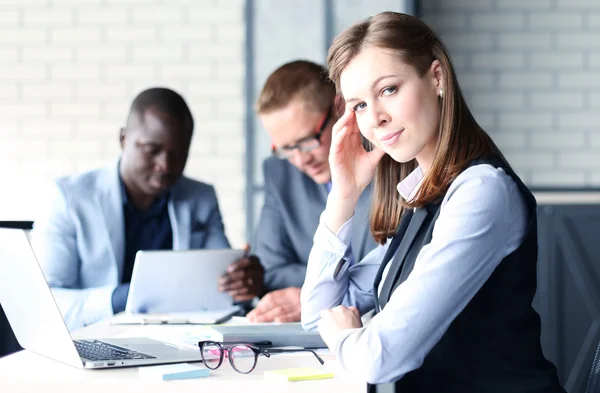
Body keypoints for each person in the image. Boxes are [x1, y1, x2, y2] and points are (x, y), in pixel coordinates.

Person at [300, 12, 565, 392]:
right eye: (358, 105)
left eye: (388, 90)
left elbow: (379, 358)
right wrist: (343, 196)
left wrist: (346, 337)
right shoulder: (424, 194)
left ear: (436, 78)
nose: (375, 118)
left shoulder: (479, 193)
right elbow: (317, 312)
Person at [31, 87, 230, 331]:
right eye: (152, 150)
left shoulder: (201, 197)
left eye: (178, 153)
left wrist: (241, 283)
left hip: (179, 342)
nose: (165, 166)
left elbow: (222, 284)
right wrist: (122, 297)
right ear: (123, 139)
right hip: (94, 342)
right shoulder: (68, 197)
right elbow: (46, 302)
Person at [218, 60, 378, 323]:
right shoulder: (280, 173)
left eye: (306, 141)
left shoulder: (388, 163)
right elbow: (269, 269)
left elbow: (393, 268)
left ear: (340, 109)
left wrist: (314, 297)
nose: (300, 159)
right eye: (286, 148)